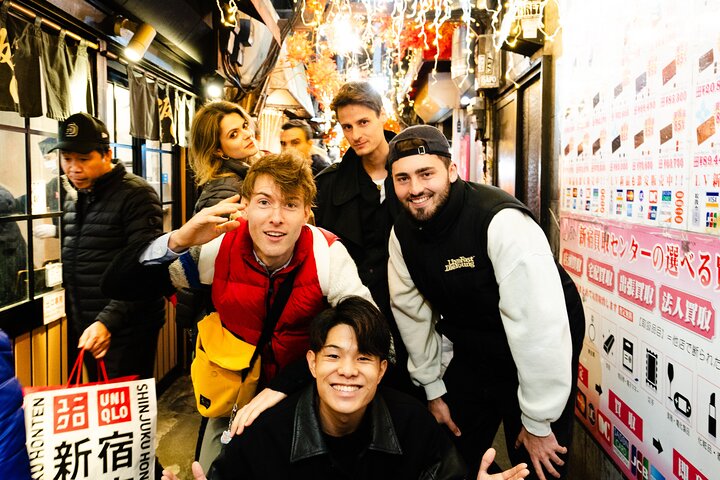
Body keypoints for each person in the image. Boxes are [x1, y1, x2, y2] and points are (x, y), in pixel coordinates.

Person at [104, 151, 375, 472]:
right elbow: (118, 284)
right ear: (244, 205)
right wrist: (179, 238)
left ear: (306, 212)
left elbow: (371, 334)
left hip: (301, 398)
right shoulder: (218, 247)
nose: (276, 217)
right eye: (264, 202)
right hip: (230, 397)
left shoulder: (325, 254)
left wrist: (285, 385)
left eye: (290, 204)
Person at [386, 125, 584, 480]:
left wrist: (538, 421)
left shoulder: (500, 220)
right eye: (403, 178)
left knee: (538, 464)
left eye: (426, 174)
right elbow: (411, 314)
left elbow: (538, 326)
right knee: (449, 450)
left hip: (539, 346)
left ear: (451, 170)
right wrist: (433, 389)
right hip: (475, 345)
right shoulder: (402, 234)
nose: (415, 189)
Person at [161, 296, 530, 480]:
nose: (348, 371)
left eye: (364, 358)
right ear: (312, 363)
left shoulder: (411, 424)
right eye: (334, 356)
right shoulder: (267, 435)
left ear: (382, 371)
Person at [313, 81, 420, 398]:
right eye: (347, 127)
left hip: (413, 314)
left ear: (381, 115)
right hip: (350, 317)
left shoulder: (415, 176)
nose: (356, 134)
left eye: (363, 122)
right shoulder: (327, 186)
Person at [54, 112, 165, 381]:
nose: (73, 168)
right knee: (100, 402)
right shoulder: (76, 197)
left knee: (126, 405)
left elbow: (146, 270)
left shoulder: (136, 194)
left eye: (83, 159)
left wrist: (107, 322)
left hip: (127, 330)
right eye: (67, 159)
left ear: (107, 154)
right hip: (89, 327)